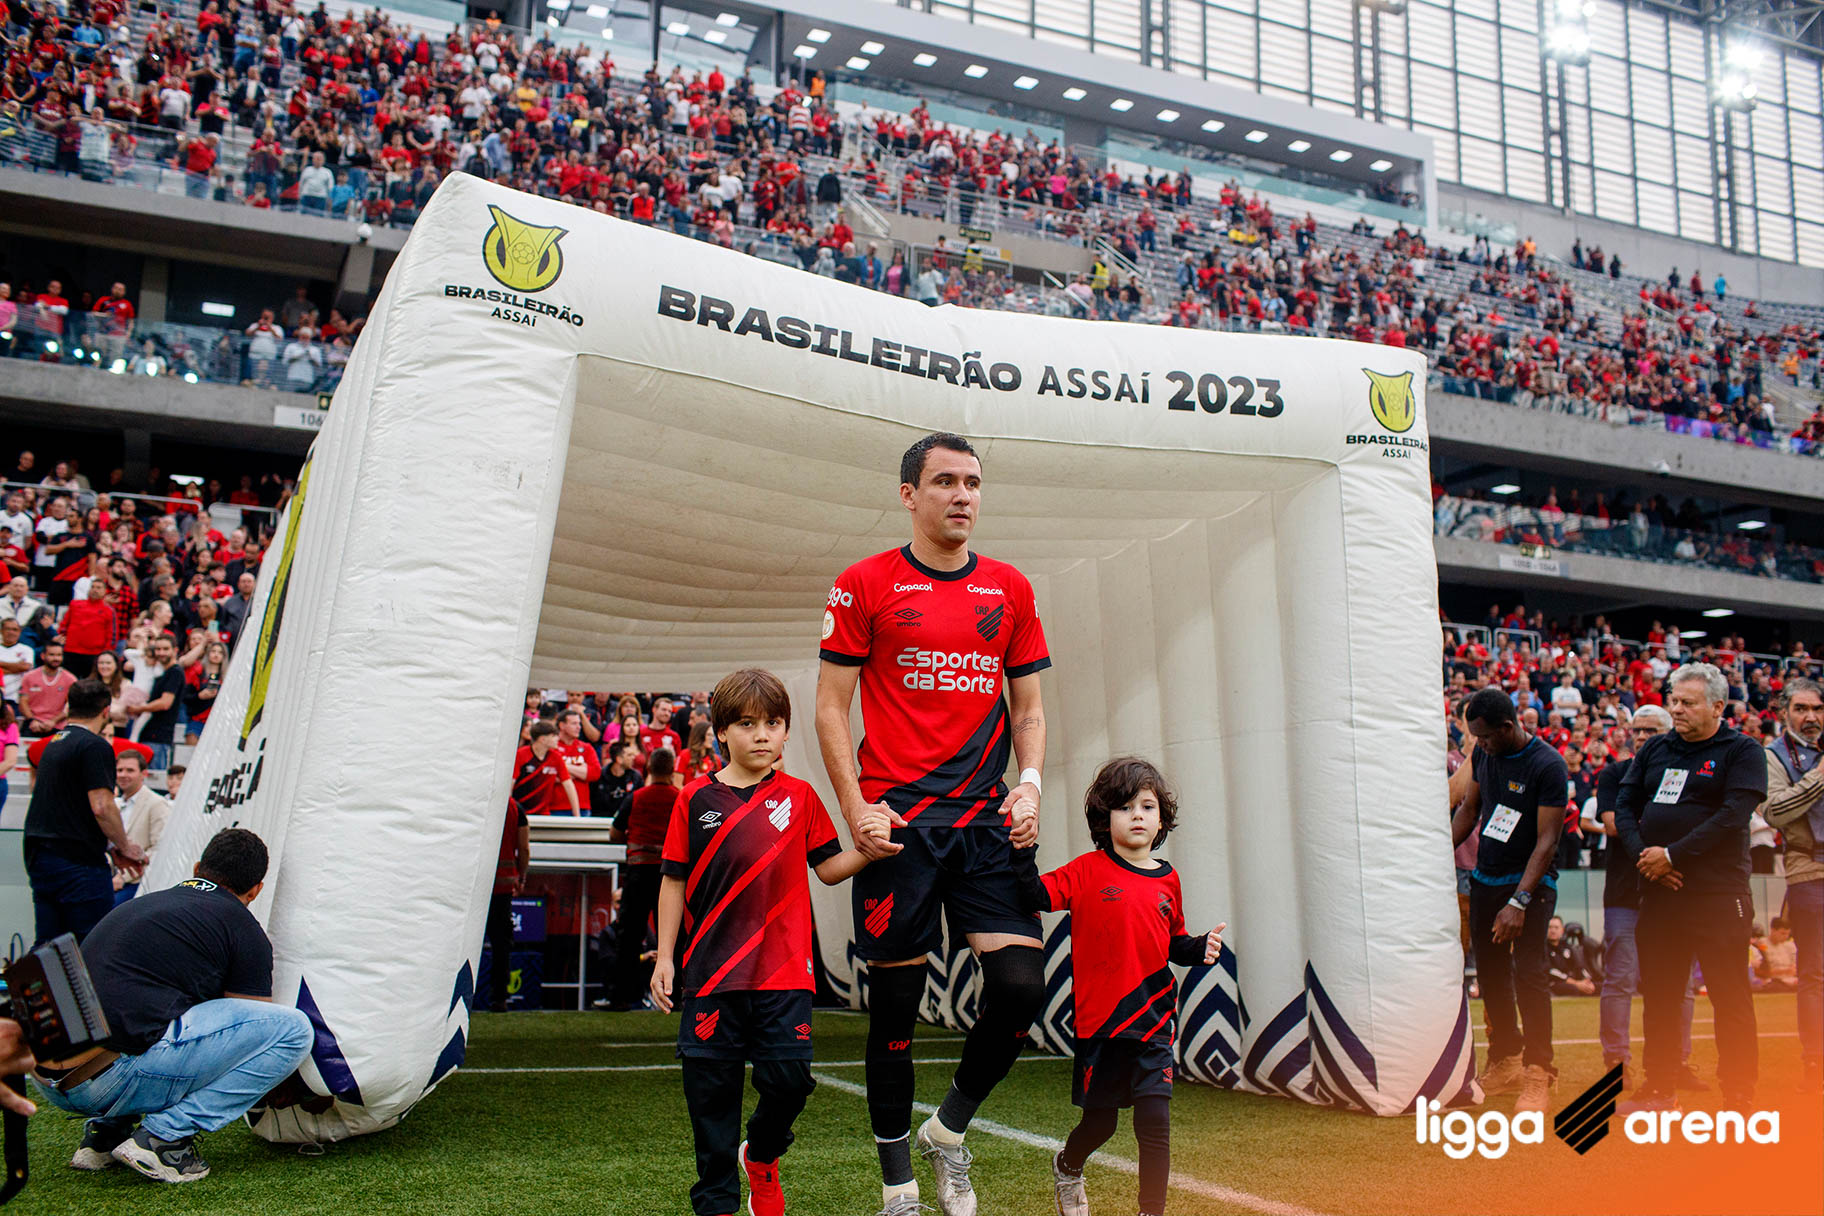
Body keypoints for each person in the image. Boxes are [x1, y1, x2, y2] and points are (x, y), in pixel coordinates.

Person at [815, 432, 1050, 1216]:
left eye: (973, 483)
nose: (962, 495)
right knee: (894, 1015)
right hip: (900, 827)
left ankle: (946, 1133)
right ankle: (899, 1188)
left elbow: (1029, 709)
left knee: (1019, 989)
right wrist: (855, 808)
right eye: (945, 481)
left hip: (986, 825)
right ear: (909, 494)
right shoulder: (863, 583)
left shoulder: (1010, 588)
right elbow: (830, 707)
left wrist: (1030, 785)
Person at [650, 668, 874, 1216]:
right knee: (711, 1100)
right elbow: (673, 880)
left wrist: (868, 850)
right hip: (711, 975)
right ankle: (718, 1203)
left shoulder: (801, 797)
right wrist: (664, 957)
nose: (762, 735)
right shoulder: (693, 799)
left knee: (790, 1081)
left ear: (785, 732)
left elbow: (828, 868)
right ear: (721, 732)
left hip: (784, 974)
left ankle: (763, 1155)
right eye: (747, 724)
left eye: (773, 723)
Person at [34, 827, 313, 1183]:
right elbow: (248, 1033)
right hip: (110, 1079)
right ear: (256, 890)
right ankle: (164, 1138)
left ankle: (106, 1135)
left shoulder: (140, 905)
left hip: (47, 1079)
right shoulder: (243, 928)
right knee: (293, 1031)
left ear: (197, 869)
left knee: (151, 1014)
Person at [1018, 758, 1223, 1216]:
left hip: (1154, 1023)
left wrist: (1199, 948)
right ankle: (1068, 1166)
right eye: (1125, 807)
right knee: (1101, 1125)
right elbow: (1034, 895)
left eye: (1147, 807)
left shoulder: (1168, 878)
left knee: (1155, 1123)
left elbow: (1172, 942)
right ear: (1103, 818)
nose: (1137, 816)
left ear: (1161, 820)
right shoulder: (1086, 871)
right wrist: (1021, 847)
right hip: (1102, 1026)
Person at [1614, 663, 1767, 1111]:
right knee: (1660, 996)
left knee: (1729, 994)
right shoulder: (1656, 749)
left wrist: (1673, 855)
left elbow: (1732, 816)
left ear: (1718, 707)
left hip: (1718, 895)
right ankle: (1660, 1088)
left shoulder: (1742, 751)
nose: (1676, 709)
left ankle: (1739, 1093)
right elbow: (1624, 805)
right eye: (1674, 701)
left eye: (1687, 702)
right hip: (1661, 893)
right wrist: (1647, 858)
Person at [1448, 686, 1568, 1112]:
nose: (1479, 745)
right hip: (1486, 878)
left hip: (1529, 885)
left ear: (1507, 727)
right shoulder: (1484, 755)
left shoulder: (1547, 764)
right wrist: (1438, 855)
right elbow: (1470, 809)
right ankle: (1506, 1059)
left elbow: (1548, 840)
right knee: (1492, 973)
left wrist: (1519, 902)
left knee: (1530, 972)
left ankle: (1539, 1070)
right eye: (1474, 737)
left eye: (1485, 736)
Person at [1594, 705, 1699, 1092]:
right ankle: (1617, 1063)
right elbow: (1611, 824)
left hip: (1673, 889)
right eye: (1636, 729)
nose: (1640, 736)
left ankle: (1678, 1061)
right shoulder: (1615, 773)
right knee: (1620, 978)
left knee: (1681, 983)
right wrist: (1661, 839)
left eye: (1650, 730)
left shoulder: (1683, 772)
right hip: (1626, 892)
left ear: (1670, 732)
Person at [22, 678, 148, 943]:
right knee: (91, 943)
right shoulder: (95, 746)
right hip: (77, 863)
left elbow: (67, 808)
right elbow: (102, 806)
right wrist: (124, 846)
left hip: (42, 855)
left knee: (50, 945)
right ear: (105, 711)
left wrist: (110, 847)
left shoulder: (55, 743)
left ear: (69, 707)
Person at [1761, 677, 1822, 1092]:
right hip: (1808, 869)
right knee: (1815, 973)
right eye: (1801, 709)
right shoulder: (1772, 755)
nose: (1810, 717)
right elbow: (1775, 812)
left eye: (1817, 708)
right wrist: (1820, 776)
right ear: (1784, 713)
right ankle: (1815, 1063)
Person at [606, 746, 679, 1011]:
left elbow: (614, 833)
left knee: (628, 936)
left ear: (648, 768)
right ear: (672, 770)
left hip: (638, 873)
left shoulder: (635, 798)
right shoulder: (680, 798)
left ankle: (621, 997)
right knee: (674, 936)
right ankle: (676, 995)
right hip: (670, 875)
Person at [485, 798, 530, 1012]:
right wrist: (522, 877)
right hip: (502, 888)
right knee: (501, 945)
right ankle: (499, 998)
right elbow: (524, 848)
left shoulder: (478, 802)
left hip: (475, 888)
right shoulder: (515, 808)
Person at [113, 748, 170, 902]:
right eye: (120, 770)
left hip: (137, 884)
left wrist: (123, 877)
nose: (123, 775)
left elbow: (159, 848)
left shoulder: (156, 803)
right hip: (110, 880)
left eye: (130, 770)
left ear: (144, 774)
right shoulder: (115, 804)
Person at [125, 635, 185, 772]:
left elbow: (165, 703)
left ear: (175, 650)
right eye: (158, 649)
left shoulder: (175, 672)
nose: (161, 653)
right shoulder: (159, 671)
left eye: (165, 649)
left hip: (158, 736)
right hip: (148, 734)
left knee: (154, 778)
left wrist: (139, 708)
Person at [512, 720, 579, 814]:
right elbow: (510, 784)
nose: (558, 738)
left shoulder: (556, 758)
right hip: (520, 813)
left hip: (543, 814)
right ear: (543, 739)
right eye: (554, 736)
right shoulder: (521, 755)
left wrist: (577, 815)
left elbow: (569, 785)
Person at [19, 642, 76, 736]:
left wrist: (53, 721)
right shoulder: (29, 677)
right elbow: (23, 702)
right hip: (32, 725)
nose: (56, 658)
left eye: (59, 655)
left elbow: (70, 705)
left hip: (58, 726)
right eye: (52, 655)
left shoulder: (70, 679)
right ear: (43, 656)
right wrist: (32, 720)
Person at [554, 709, 602, 814]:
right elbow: (549, 775)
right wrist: (581, 770)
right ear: (562, 725)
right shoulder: (552, 747)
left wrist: (562, 768)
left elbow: (595, 773)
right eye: (574, 723)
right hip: (555, 807)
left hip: (582, 807)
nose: (579, 727)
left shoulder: (586, 748)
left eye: (579, 723)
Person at [1544, 916, 1596, 995]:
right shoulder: (1543, 949)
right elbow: (1550, 971)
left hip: (1574, 981)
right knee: (1573, 989)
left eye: (1556, 927)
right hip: (1554, 983)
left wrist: (1587, 981)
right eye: (1550, 927)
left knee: (1598, 987)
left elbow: (1579, 966)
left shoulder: (1567, 947)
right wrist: (1576, 983)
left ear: (1562, 930)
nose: (1553, 931)